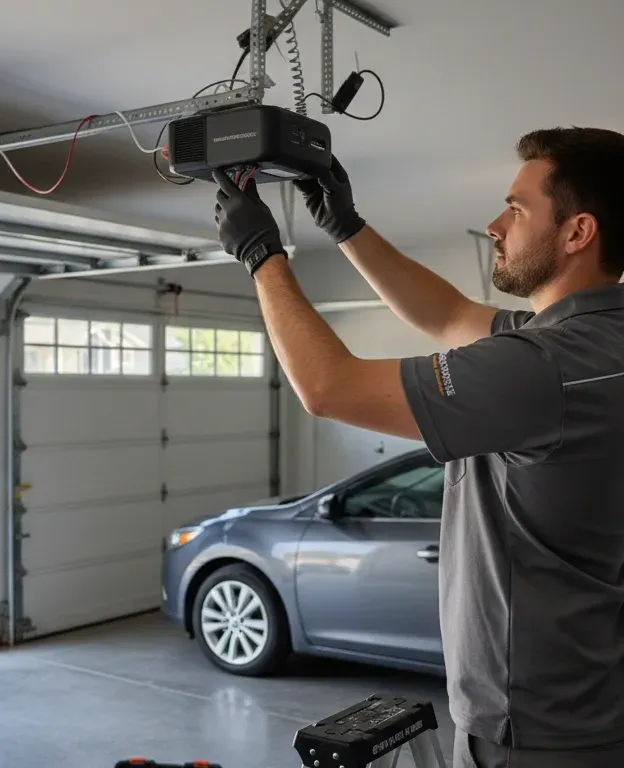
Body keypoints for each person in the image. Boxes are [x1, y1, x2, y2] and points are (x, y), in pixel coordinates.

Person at [212, 127, 624, 768]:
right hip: (585, 708)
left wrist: (261, 255)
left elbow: (327, 388)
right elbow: (448, 314)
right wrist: (346, 225)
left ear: (578, 233)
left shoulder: (543, 366)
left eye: (516, 209)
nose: (494, 225)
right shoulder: (595, 341)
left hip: (533, 731)